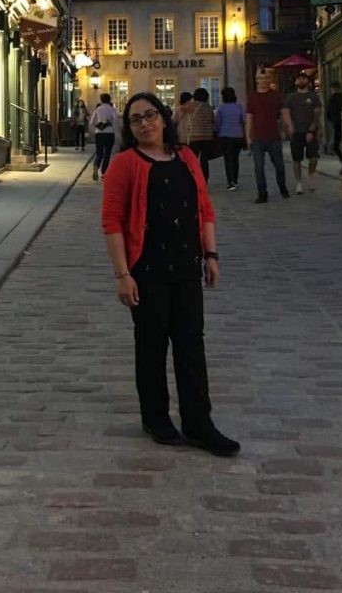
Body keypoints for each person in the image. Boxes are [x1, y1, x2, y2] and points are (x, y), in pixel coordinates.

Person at [101, 91, 240, 456]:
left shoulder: (187, 157)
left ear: (164, 118)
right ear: (129, 128)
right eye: (136, 119)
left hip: (185, 266)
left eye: (150, 115)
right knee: (151, 345)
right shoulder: (124, 164)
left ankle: (199, 423)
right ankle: (156, 417)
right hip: (146, 268)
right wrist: (122, 274)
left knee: (191, 344)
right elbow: (112, 222)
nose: (145, 123)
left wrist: (210, 254)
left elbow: (204, 209)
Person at [246, 71, 289, 203]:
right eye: (260, 78)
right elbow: (249, 117)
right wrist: (247, 136)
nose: (263, 80)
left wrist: (285, 128)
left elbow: (283, 113)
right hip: (258, 137)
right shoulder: (252, 97)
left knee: (279, 165)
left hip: (273, 136)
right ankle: (262, 193)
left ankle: (282, 187)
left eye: (265, 78)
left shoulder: (275, 95)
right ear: (256, 80)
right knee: (259, 167)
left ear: (269, 80)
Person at [282, 72, 322, 194]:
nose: (301, 80)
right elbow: (286, 112)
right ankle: (298, 182)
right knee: (296, 159)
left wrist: (312, 130)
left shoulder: (313, 97)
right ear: (296, 82)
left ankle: (311, 176)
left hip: (310, 131)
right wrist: (289, 127)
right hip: (296, 131)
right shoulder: (290, 97)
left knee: (314, 158)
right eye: (299, 78)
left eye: (303, 78)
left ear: (307, 82)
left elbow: (317, 114)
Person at [215, 86, 245, 190]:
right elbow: (243, 120)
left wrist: (217, 134)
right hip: (238, 136)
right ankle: (235, 180)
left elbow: (217, 124)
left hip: (225, 136)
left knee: (228, 159)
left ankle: (230, 182)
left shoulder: (221, 108)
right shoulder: (239, 107)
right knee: (235, 159)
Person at [187, 87, 215, 183]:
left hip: (194, 137)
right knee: (204, 160)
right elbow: (212, 121)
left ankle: (194, 180)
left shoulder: (191, 106)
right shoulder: (208, 107)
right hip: (207, 137)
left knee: (193, 160)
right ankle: (204, 181)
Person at [89, 92, 120, 180]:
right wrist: (109, 123)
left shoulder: (98, 109)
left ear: (101, 100)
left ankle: (96, 167)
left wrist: (99, 125)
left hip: (99, 133)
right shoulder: (111, 109)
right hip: (109, 133)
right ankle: (104, 172)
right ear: (109, 100)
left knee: (99, 153)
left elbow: (91, 122)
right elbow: (115, 120)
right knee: (107, 153)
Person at [325, 81, 342, 163]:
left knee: (336, 145)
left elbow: (328, 114)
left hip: (336, 125)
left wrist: (332, 120)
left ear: (332, 89)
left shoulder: (331, 99)